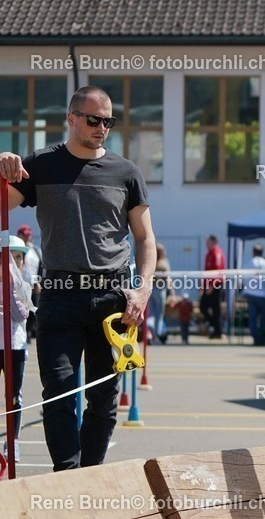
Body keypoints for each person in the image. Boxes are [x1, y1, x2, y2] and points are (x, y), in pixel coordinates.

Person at [0, 85, 156, 472]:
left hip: (113, 298)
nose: (102, 127)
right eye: (93, 119)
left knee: (104, 398)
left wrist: (143, 289)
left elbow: (146, 238)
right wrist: (0, 166)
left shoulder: (126, 172)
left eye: (108, 121)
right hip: (59, 295)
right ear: (71, 118)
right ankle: (66, 478)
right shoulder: (39, 165)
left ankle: (91, 476)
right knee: (58, 393)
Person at [1, 236, 34, 462]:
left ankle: (13, 441)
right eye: (9, 258)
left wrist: (12, 292)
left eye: (18, 258)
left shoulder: (23, 285)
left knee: (14, 396)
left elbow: (22, 314)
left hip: (15, 347)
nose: (14, 263)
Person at [243, 244, 265, 346]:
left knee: (253, 317)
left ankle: (256, 339)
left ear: (253, 252)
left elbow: (242, 279)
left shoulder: (248, 263)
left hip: (251, 293)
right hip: (264, 294)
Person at [17, 224, 41, 342]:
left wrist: (37, 282)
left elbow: (38, 267)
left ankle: (29, 331)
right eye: (25, 235)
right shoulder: (15, 249)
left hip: (31, 286)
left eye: (28, 235)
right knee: (20, 310)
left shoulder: (35, 251)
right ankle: (22, 332)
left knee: (33, 311)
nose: (27, 238)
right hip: (18, 286)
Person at [200, 235, 225, 338]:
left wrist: (212, 285)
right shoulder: (208, 254)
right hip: (208, 285)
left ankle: (217, 332)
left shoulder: (217, 253)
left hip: (216, 285)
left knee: (216, 309)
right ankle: (213, 325)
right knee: (203, 306)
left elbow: (217, 271)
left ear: (214, 242)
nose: (206, 244)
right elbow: (206, 272)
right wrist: (203, 286)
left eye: (208, 242)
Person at [148, 243, 171, 344]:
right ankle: (157, 336)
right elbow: (168, 279)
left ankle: (149, 334)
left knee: (151, 314)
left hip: (151, 290)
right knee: (159, 315)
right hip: (160, 291)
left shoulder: (152, 262)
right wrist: (172, 292)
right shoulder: (164, 263)